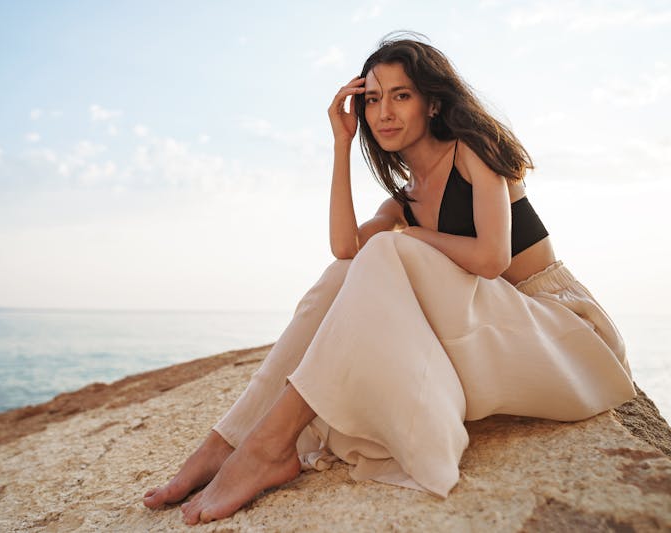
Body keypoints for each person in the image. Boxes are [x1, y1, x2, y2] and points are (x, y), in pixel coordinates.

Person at [142, 34, 636, 525]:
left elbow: (490, 258)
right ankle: (229, 440)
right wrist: (341, 144)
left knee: (386, 249)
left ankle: (268, 446)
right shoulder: (403, 200)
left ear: (433, 104)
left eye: (401, 95)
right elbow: (344, 251)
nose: (384, 113)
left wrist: (409, 241)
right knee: (350, 268)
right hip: (497, 334)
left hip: (561, 336)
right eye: (373, 99)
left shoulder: (473, 150)